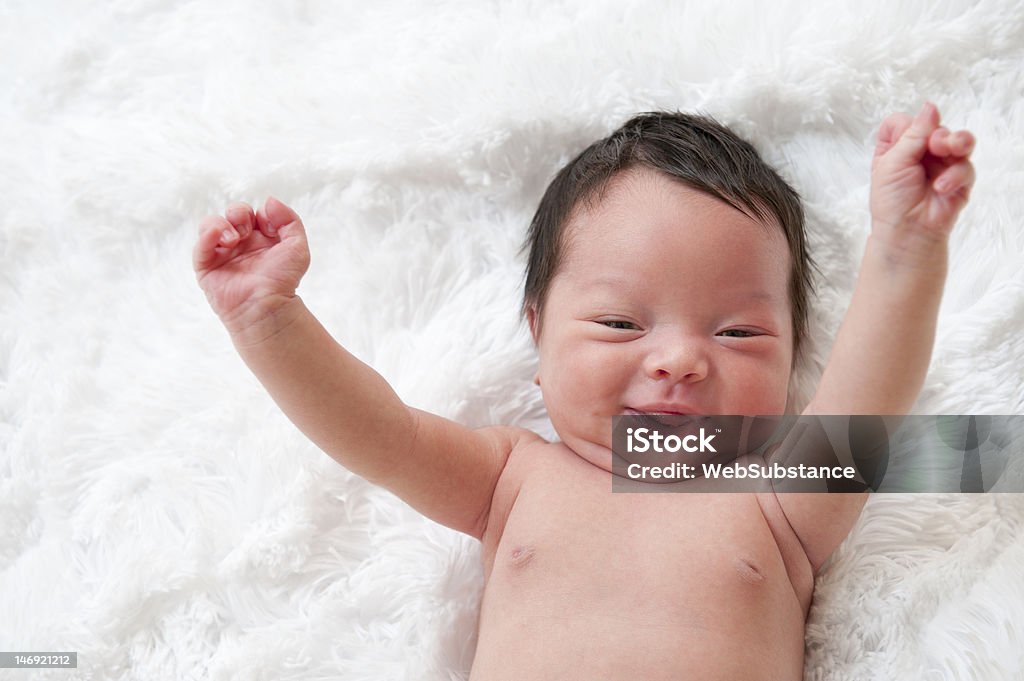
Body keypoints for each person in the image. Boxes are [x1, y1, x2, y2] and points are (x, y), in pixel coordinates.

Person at [193, 102, 975, 679]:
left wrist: (906, 246)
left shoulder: (774, 495)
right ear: (538, 335)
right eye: (619, 322)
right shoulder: (511, 478)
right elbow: (376, 431)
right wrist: (269, 319)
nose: (678, 360)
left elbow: (867, 400)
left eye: (737, 333)